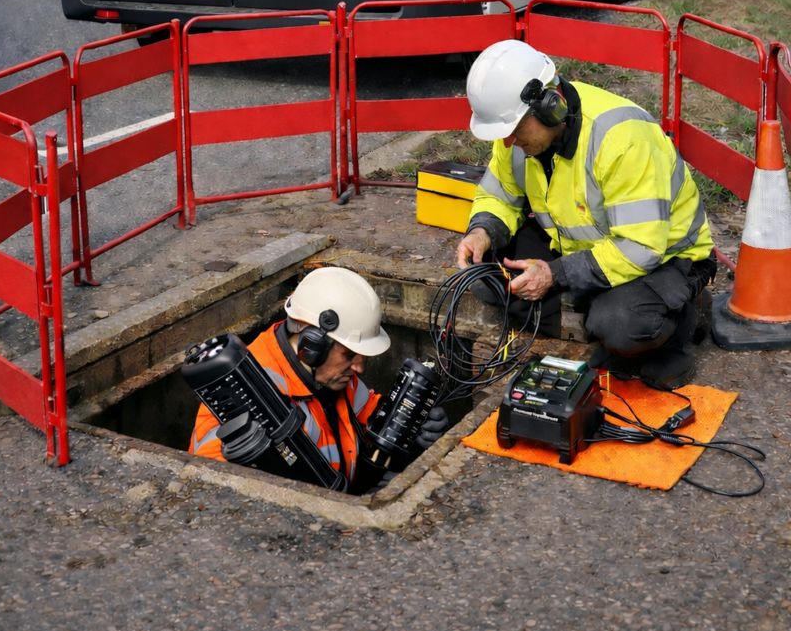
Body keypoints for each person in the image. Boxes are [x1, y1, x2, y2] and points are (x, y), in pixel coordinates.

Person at [457, 40, 717, 387]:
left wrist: (555, 274)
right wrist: (482, 231)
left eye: (516, 130)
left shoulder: (623, 139)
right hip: (581, 249)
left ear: (551, 106)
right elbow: (499, 195)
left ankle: (683, 318)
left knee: (620, 324)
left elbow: (640, 248)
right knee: (486, 278)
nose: (508, 142)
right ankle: (592, 309)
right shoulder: (517, 136)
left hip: (663, 257)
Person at [189, 266, 448, 491]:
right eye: (349, 354)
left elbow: (367, 416)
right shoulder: (240, 400)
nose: (359, 368)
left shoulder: (332, 375)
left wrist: (411, 428)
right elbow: (211, 492)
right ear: (312, 346)